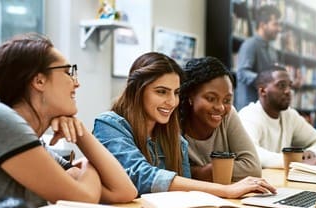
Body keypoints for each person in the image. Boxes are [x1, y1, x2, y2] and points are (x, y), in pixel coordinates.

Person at [93, 52, 276, 198]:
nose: (172, 101)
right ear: (137, 91)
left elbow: (186, 194)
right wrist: (227, 191)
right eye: (162, 92)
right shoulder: (109, 125)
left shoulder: (173, 138)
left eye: (176, 93)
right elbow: (142, 177)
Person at [0, 33, 137, 208]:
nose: (76, 83)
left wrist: (80, 133)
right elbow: (84, 199)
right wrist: (89, 163)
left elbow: (124, 191)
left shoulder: (38, 147)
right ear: (39, 80)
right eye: (68, 72)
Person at [180, 56, 261, 182]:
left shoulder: (228, 115)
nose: (220, 107)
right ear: (190, 96)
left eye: (227, 100)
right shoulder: (174, 121)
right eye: (211, 98)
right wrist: (217, 171)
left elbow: (253, 168)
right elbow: (171, 173)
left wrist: (199, 172)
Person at [238, 65, 316, 168]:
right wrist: (298, 162)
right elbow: (251, 153)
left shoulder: (289, 115)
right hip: (256, 181)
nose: (288, 91)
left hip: (280, 179)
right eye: (281, 85)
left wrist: (311, 153)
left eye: (290, 86)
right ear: (262, 91)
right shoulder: (249, 115)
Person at [235, 4, 281, 110]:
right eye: (275, 24)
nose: (279, 29)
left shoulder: (273, 51)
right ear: (263, 24)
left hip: (266, 109)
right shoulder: (250, 45)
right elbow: (242, 73)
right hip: (249, 111)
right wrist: (267, 81)